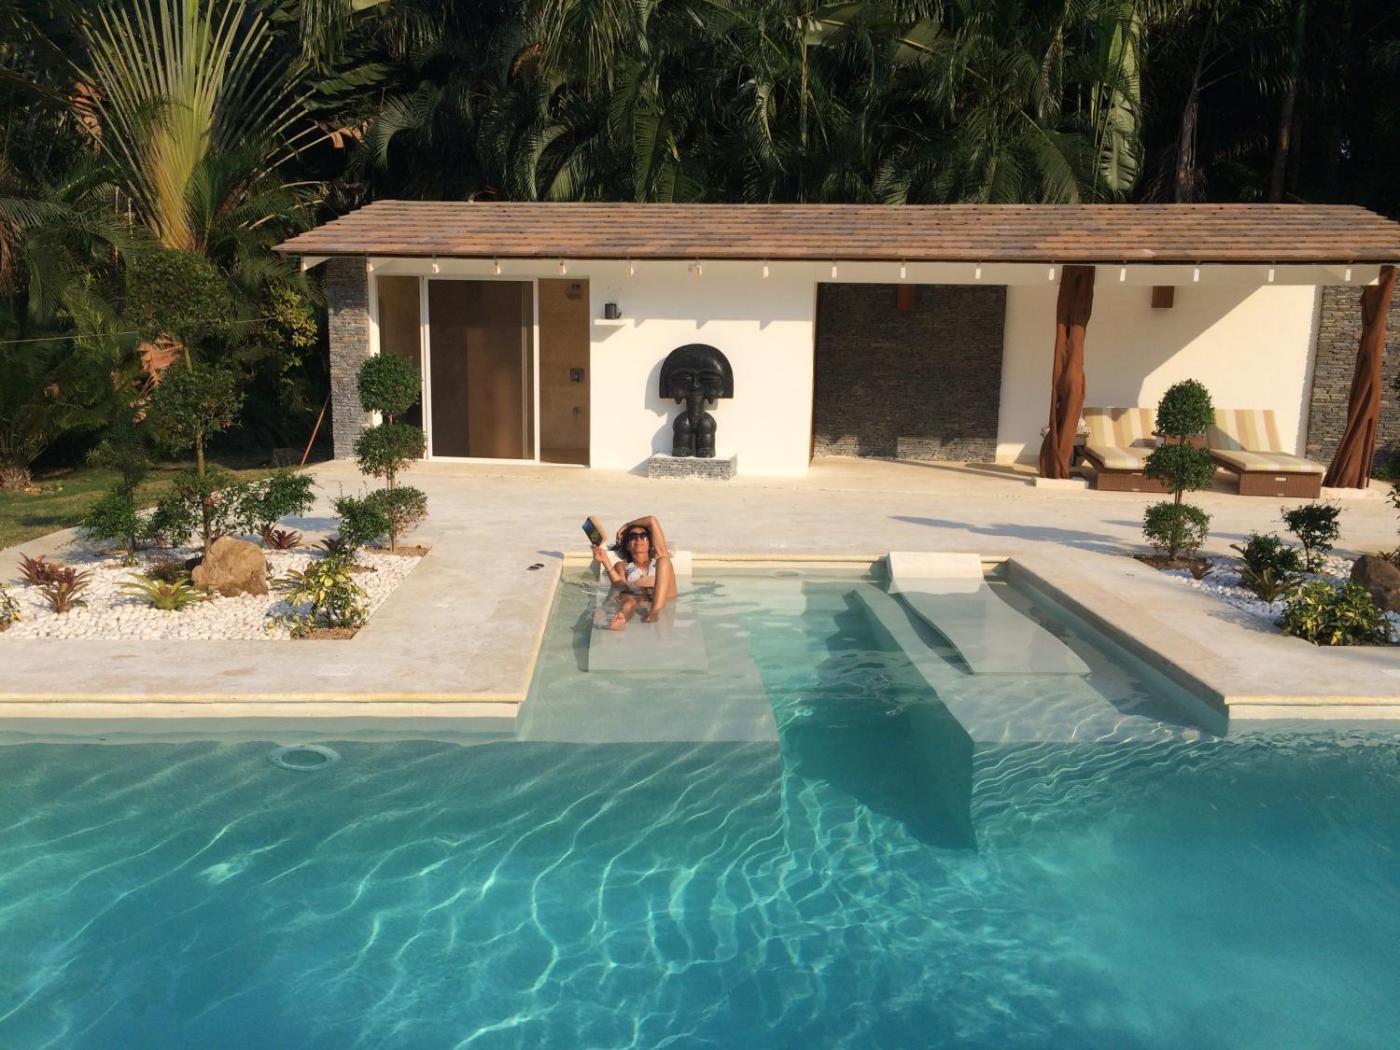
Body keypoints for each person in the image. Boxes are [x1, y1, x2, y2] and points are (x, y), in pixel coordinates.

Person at [591, 515, 677, 630]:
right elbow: (619, 586)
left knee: (664, 560)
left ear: (650, 543)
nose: (638, 539)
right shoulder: (623, 566)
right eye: (633, 537)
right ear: (627, 545)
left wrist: (627, 525)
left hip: (665, 594)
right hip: (639, 596)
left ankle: (655, 611)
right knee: (628, 599)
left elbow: (652, 520)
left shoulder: (659, 559)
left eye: (643, 536)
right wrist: (605, 561)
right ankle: (620, 619)